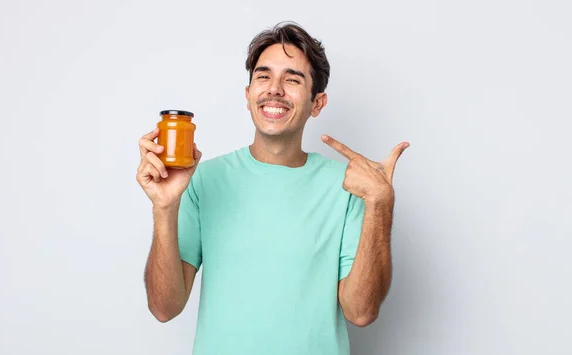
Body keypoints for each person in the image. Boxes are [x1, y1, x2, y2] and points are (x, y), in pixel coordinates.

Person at [136, 21, 409, 355]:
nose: (274, 89)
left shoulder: (349, 187)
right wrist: (164, 208)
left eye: (292, 79)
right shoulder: (202, 180)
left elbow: (362, 312)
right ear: (248, 94)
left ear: (317, 103)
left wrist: (380, 205)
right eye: (263, 76)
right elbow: (164, 308)